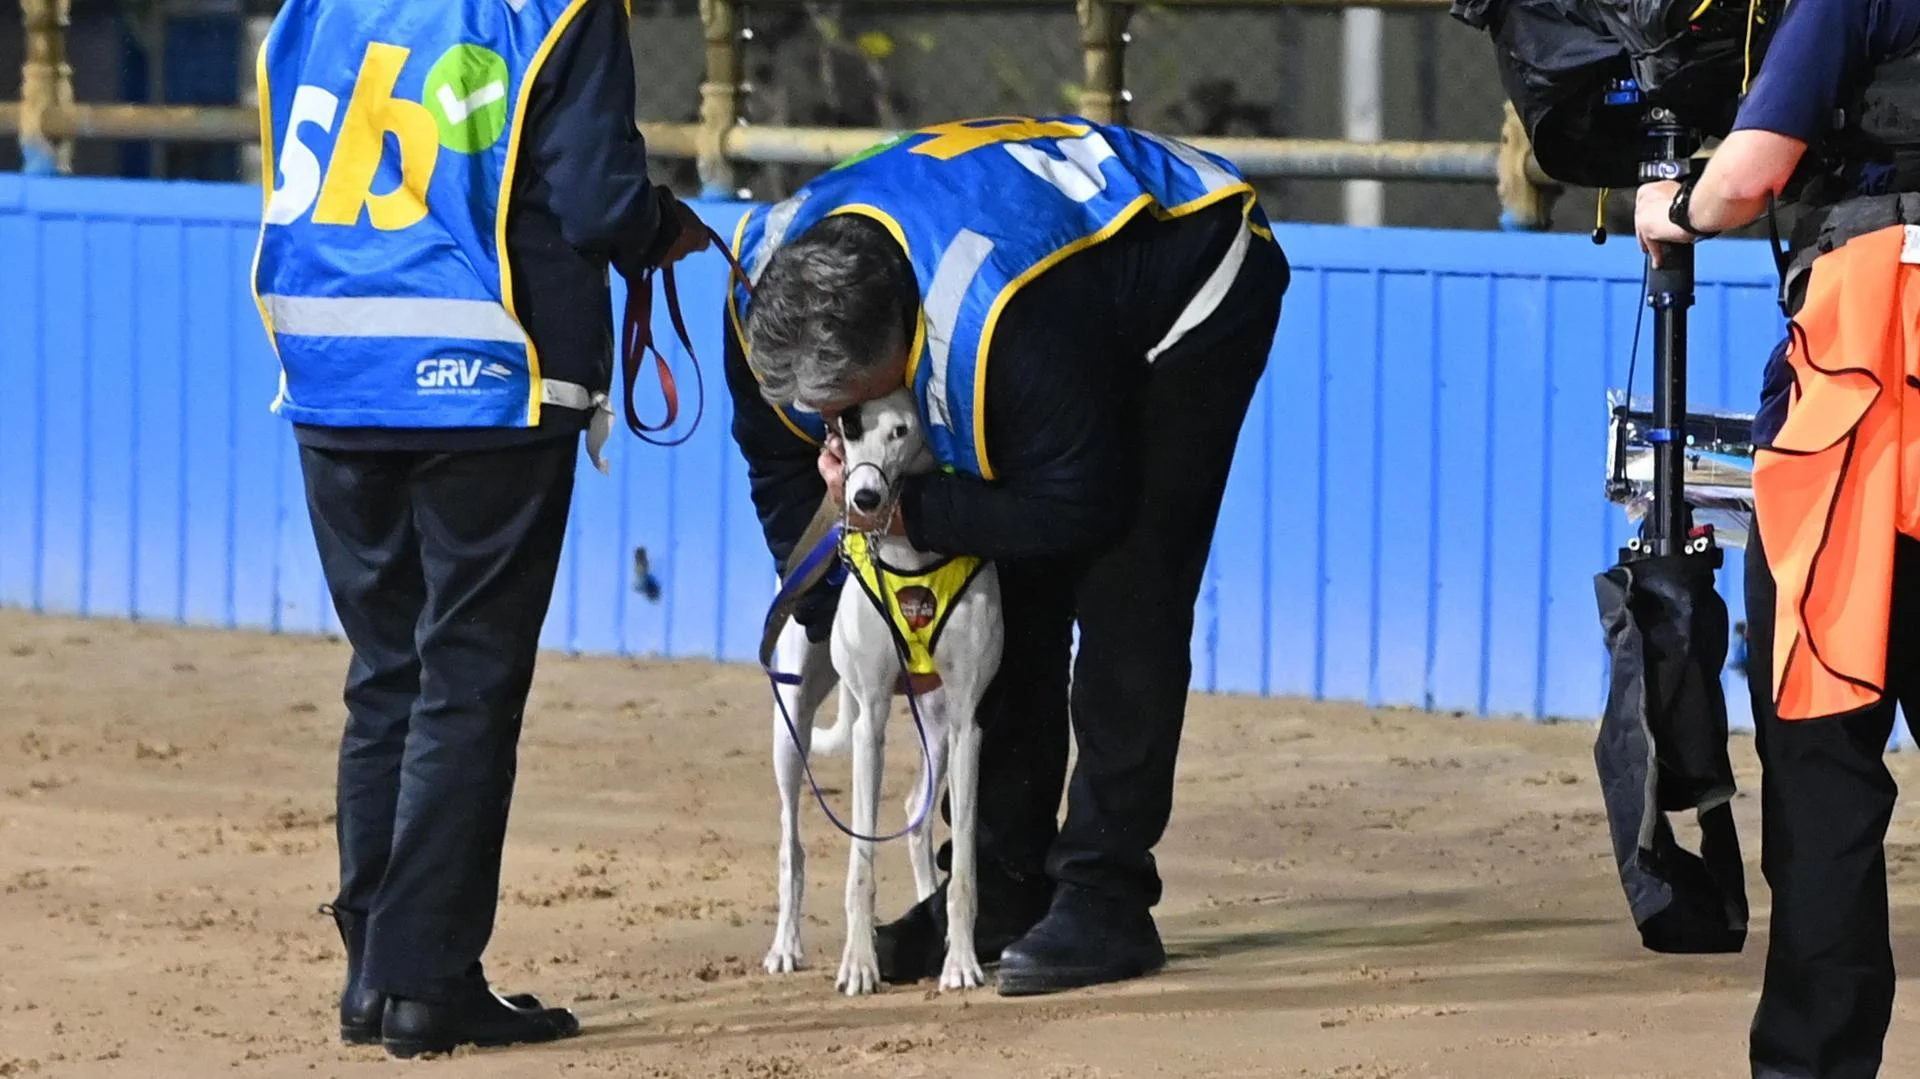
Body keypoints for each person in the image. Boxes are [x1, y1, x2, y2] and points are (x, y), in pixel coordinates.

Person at [726, 116, 1289, 996]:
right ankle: (996, 888)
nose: (833, 435)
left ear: (900, 356)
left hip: (1188, 276)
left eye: (849, 412)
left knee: (1125, 581)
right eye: (821, 420)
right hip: (1030, 274)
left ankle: (1107, 892)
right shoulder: (761, 291)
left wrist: (912, 511)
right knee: (990, 578)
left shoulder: (1004, 325)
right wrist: (837, 603)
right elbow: (777, 460)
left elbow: (1078, 502)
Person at [250, 0, 706, 1057]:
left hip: (329, 366)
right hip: (484, 377)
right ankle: (427, 979)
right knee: (465, 680)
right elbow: (597, 203)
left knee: (387, 673)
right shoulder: (561, 9)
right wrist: (658, 224)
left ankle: (375, 974)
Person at [1635, 4, 1920, 1075]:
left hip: (1871, 368)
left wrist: (1680, 208)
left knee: (1825, 746)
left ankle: (1814, 1060)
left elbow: (1751, 173)